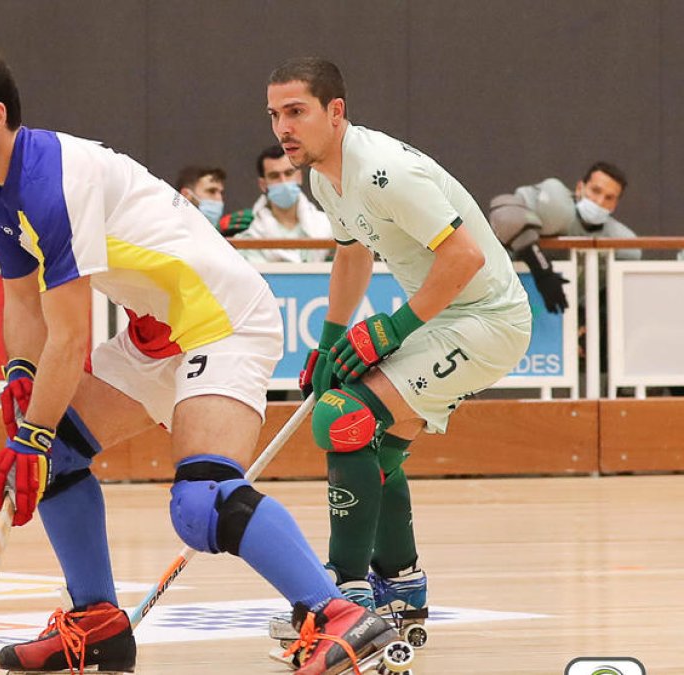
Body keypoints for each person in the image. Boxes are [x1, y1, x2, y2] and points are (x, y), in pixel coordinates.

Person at [0, 38, 400, 675]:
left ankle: (338, 615)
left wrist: (29, 430)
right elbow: (22, 306)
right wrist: (19, 377)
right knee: (58, 452)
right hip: (159, 332)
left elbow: (68, 336)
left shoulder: (50, 180)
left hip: (225, 320)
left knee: (200, 500)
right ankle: (98, 623)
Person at [266, 57, 531, 647]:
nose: (283, 127)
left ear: (336, 112)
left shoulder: (385, 171)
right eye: (275, 115)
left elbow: (465, 258)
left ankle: (344, 598)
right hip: (449, 320)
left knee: (344, 414)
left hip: (487, 321)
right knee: (374, 446)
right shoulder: (322, 177)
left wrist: (393, 327)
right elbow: (354, 253)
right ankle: (402, 586)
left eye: (296, 111)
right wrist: (331, 339)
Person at [489, 161, 638, 314]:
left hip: (567, 316)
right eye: (596, 190)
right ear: (580, 188)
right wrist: (543, 272)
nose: (600, 201)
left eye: (609, 197)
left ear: (615, 204)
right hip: (511, 301)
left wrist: (589, 316)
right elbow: (505, 215)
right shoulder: (556, 207)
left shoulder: (621, 244)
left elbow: (613, 294)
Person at [228, 144, 333, 263]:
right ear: (263, 184)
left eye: (288, 173)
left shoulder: (327, 226)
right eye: (274, 176)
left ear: (299, 177)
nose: (283, 181)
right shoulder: (248, 233)